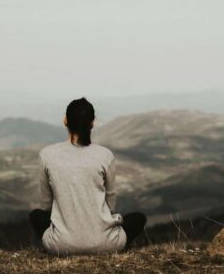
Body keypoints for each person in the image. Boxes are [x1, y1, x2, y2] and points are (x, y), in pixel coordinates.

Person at [29, 97, 147, 255]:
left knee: (36, 215)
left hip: (61, 246)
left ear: (65, 120)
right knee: (138, 218)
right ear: (92, 123)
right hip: (106, 244)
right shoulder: (105, 155)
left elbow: (46, 205)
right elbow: (110, 205)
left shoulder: (46, 155)